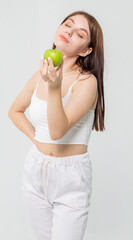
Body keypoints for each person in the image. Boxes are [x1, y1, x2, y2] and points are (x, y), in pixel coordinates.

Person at [8, 10, 105, 240]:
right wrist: (37, 143)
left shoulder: (86, 82)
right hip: (36, 170)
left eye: (79, 33)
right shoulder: (40, 75)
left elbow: (58, 130)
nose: (69, 32)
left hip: (70, 178)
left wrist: (54, 86)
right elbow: (14, 111)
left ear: (86, 50)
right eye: (67, 25)